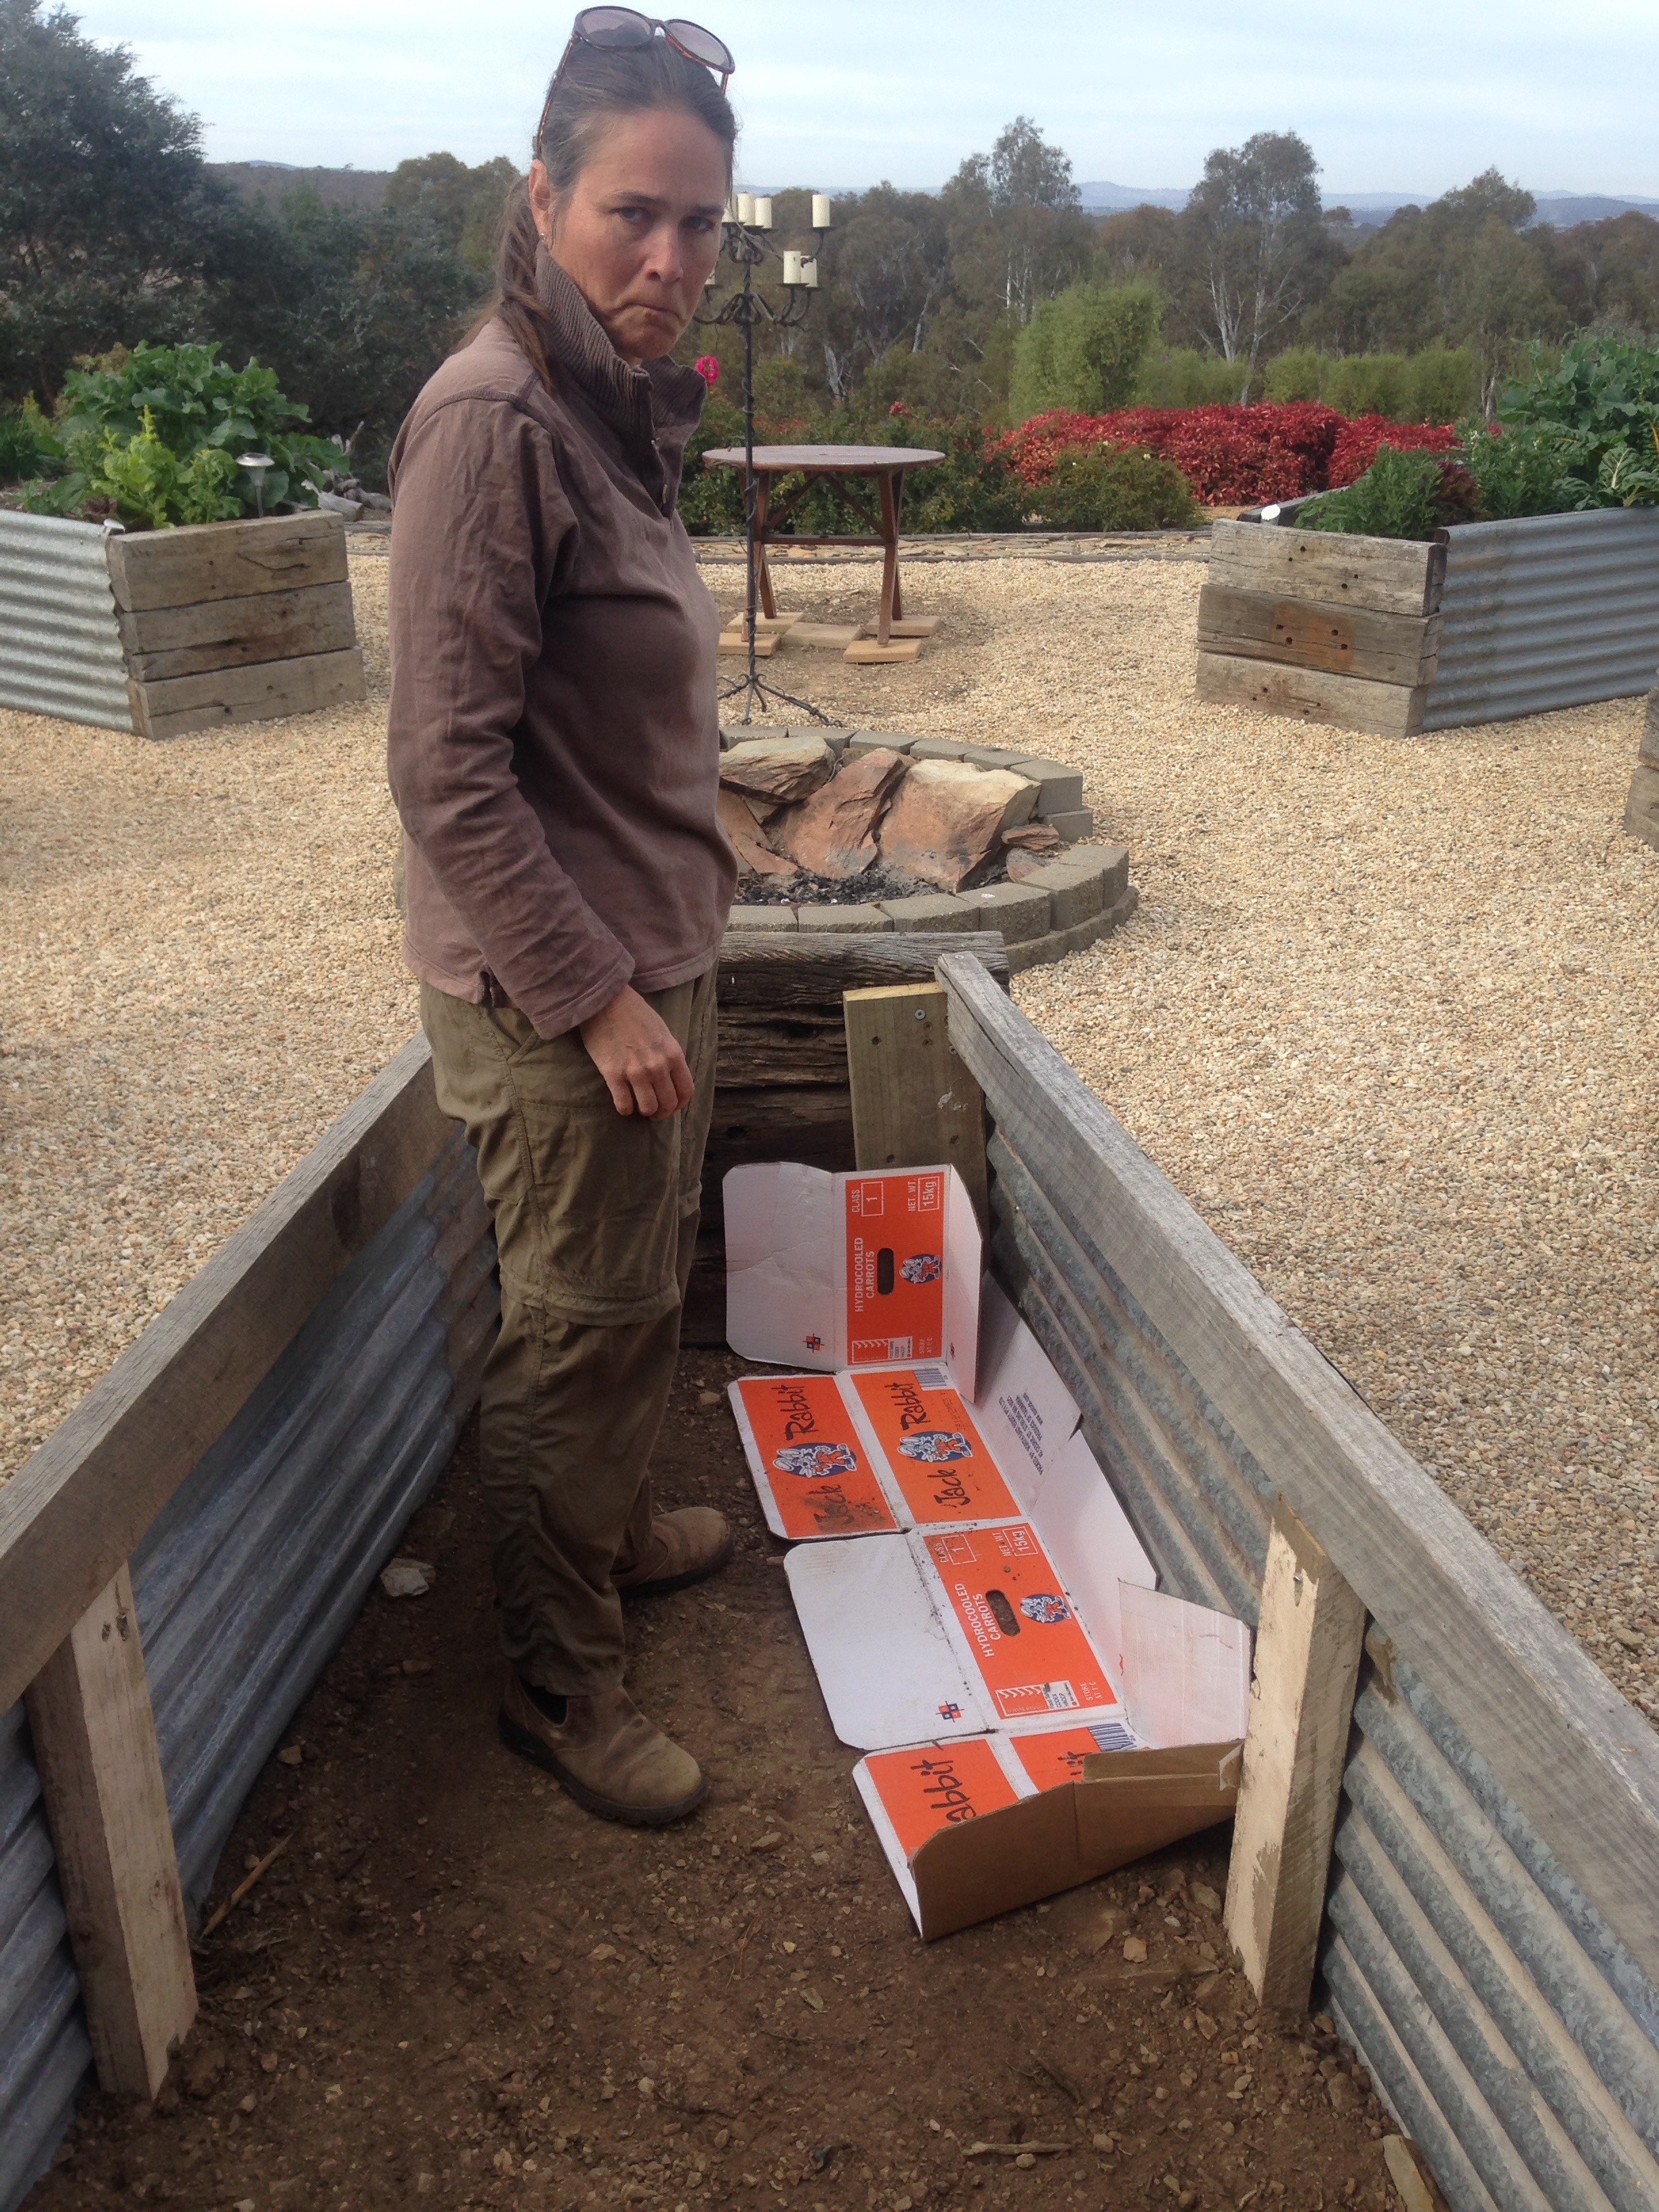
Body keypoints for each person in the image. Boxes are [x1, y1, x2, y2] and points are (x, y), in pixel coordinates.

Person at [385, 12, 741, 1827]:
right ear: (541, 200)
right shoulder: (494, 422)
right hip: (562, 997)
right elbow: (445, 772)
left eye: (701, 223)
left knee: (631, 1295)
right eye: (631, 214)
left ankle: (602, 1531)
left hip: (647, 953)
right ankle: (556, 1682)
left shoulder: (608, 404)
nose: (670, 259)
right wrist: (599, 997)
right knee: (577, 1322)